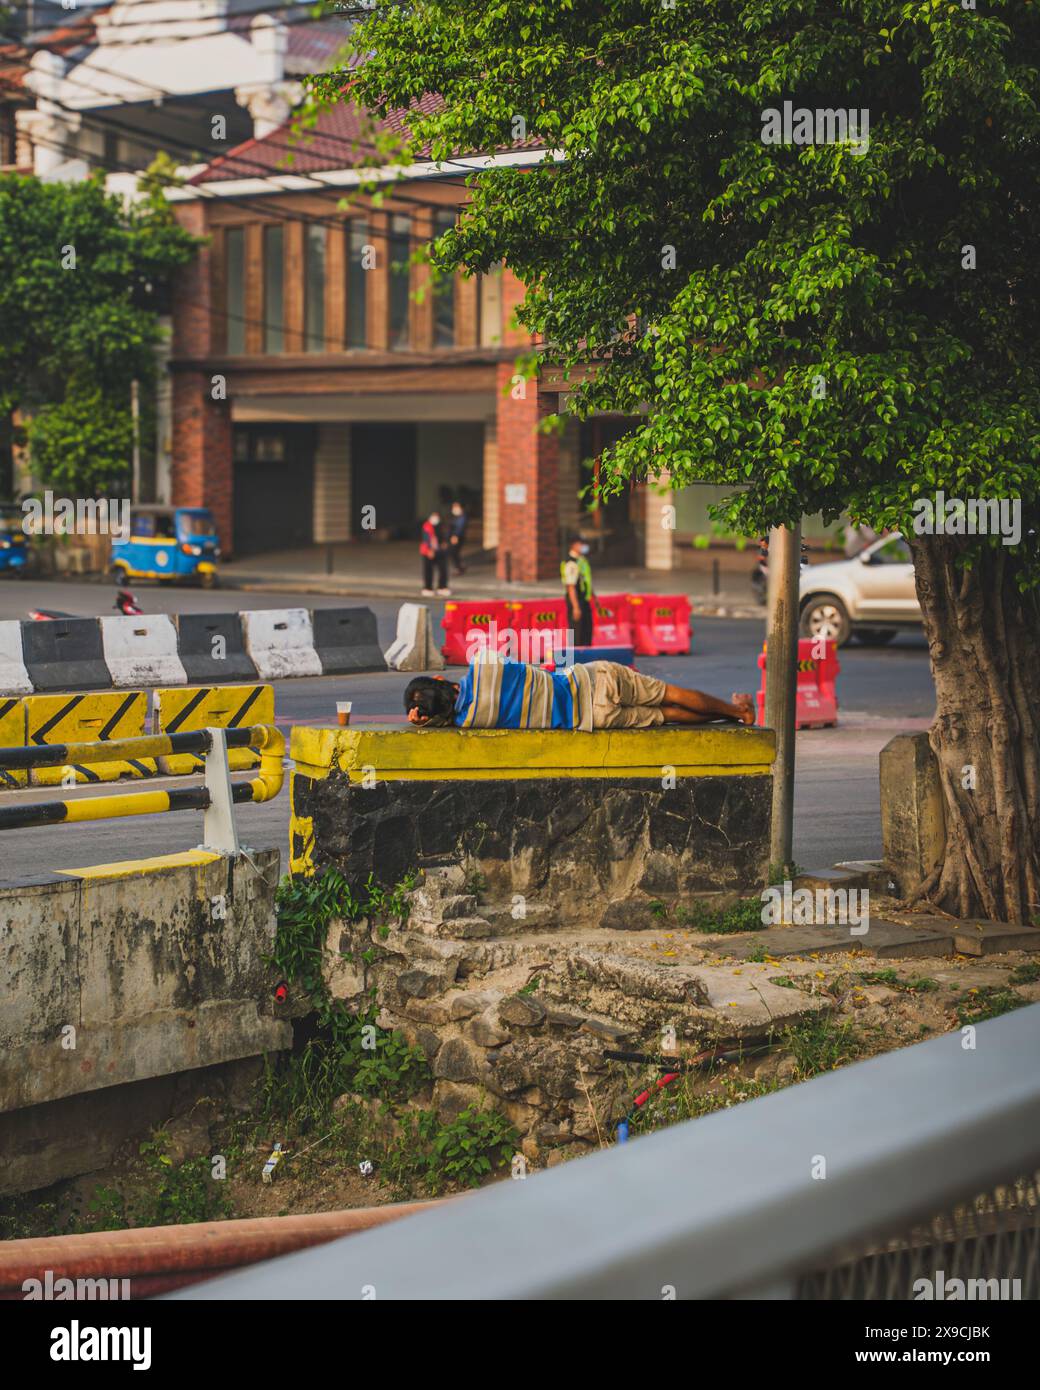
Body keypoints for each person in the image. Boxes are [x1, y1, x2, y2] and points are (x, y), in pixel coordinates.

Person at [404, 655, 755, 731]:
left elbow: (443, 718)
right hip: (593, 680)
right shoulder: (486, 667)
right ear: (439, 677)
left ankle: (732, 716)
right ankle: (737, 711)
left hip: (594, 718)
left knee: (666, 715)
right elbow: (532, 670)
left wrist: (426, 718)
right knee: (670, 693)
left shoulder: (469, 721)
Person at [561, 535, 594, 646]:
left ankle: (586, 661)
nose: (584, 546)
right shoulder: (571, 563)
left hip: (584, 600)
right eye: (581, 544)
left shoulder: (581, 560)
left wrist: (593, 596)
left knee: (586, 631)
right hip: (576, 601)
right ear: (574, 545)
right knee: (577, 633)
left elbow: (585, 580)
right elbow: (571, 586)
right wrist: (576, 607)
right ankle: (575, 661)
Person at [419, 510, 450, 597]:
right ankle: (428, 588)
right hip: (428, 551)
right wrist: (429, 550)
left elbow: (445, 536)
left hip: (440, 551)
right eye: (433, 516)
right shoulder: (427, 526)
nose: (435, 518)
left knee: (443, 569)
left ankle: (442, 587)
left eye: (437, 516)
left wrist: (445, 543)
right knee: (428, 570)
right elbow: (426, 539)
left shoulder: (442, 526)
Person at [448, 499, 468, 575]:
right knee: (454, 553)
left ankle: (458, 568)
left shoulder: (462, 517)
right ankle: (460, 566)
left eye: (456, 507)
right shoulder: (455, 516)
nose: (454, 508)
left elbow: (460, 527)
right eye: (454, 507)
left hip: (457, 537)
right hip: (453, 536)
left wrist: (455, 536)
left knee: (454, 552)